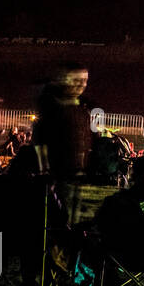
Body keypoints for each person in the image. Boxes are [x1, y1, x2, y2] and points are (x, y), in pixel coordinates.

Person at [32, 64, 93, 225]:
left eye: (85, 80)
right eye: (77, 80)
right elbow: (40, 138)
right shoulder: (52, 106)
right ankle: (59, 243)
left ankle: (67, 240)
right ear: (65, 80)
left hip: (78, 173)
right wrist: (44, 168)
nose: (82, 84)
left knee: (73, 215)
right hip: (60, 173)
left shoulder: (82, 108)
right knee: (60, 215)